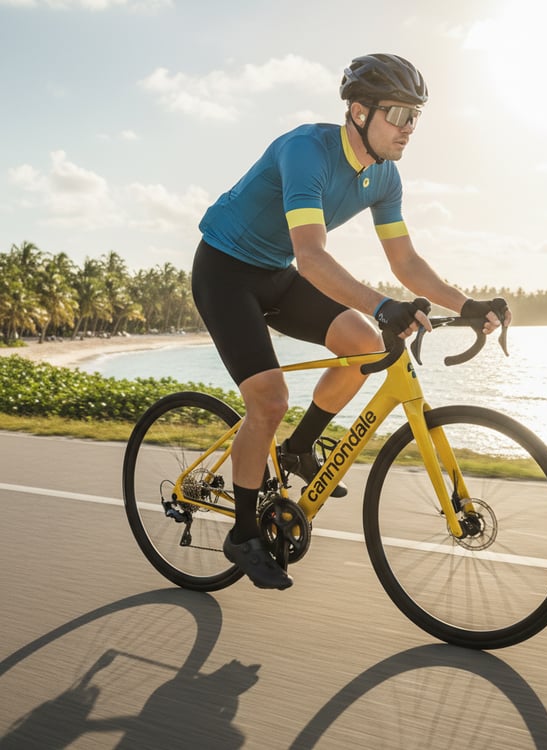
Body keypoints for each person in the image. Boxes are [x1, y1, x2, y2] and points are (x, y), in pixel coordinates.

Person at [191, 53, 510, 591]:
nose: (409, 128)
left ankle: (298, 448)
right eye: (398, 115)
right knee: (269, 401)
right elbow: (312, 257)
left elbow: (405, 262)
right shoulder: (306, 152)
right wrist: (384, 306)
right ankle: (243, 533)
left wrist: (467, 305)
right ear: (359, 113)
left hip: (275, 272)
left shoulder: (384, 177)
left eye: (415, 117)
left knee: (363, 346)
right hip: (225, 270)